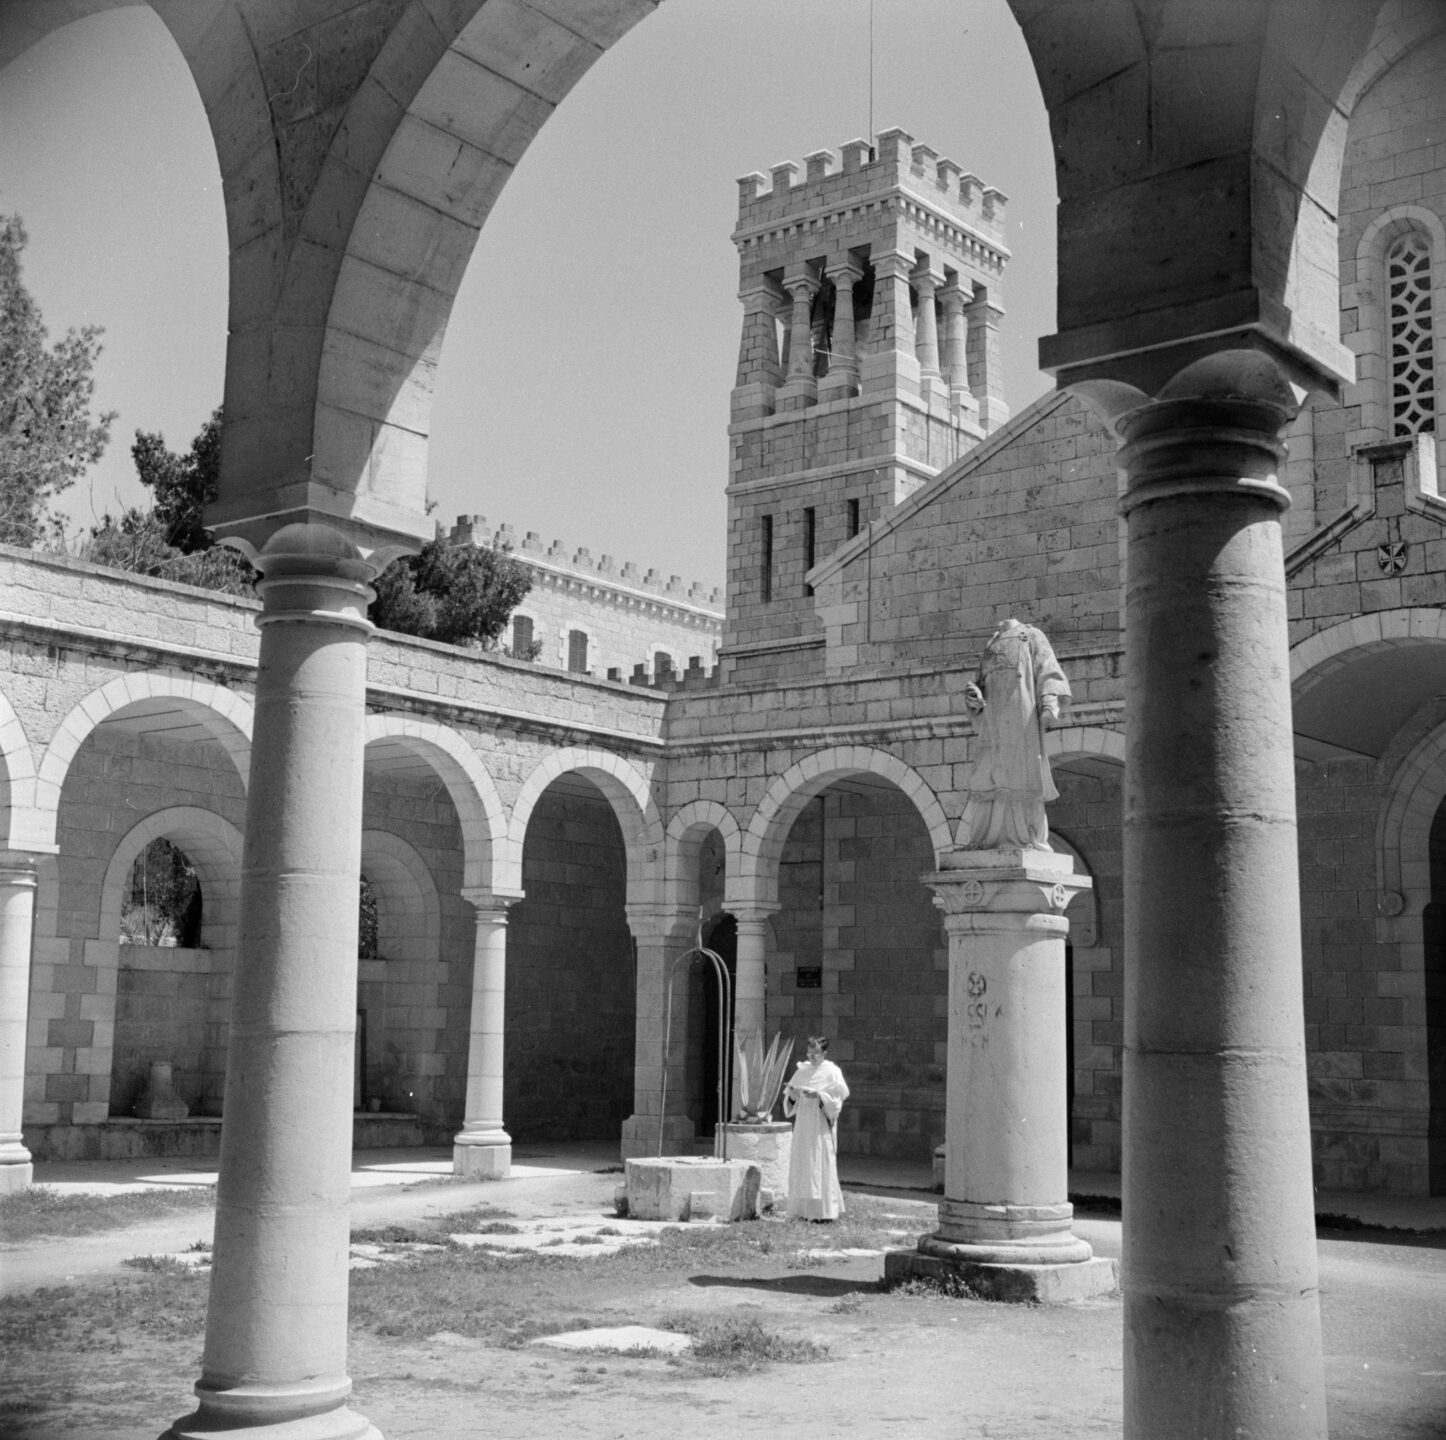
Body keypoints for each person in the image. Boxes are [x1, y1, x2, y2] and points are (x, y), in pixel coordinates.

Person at [960, 616, 1071, 850]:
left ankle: (1024, 836)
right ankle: (985, 838)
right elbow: (981, 686)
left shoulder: (1030, 635)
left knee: (1020, 773)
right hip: (993, 723)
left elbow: (1048, 670)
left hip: (1021, 715)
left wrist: (1049, 703)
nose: (997, 624)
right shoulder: (990, 646)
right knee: (987, 774)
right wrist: (975, 699)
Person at [783, 1035, 849, 1221]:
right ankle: (802, 1210)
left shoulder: (832, 1071)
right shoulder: (802, 1071)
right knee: (803, 1162)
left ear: (824, 1053)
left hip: (820, 1124)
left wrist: (819, 1096)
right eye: (809, 1054)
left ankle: (823, 1212)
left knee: (820, 1161)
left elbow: (839, 1098)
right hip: (804, 1123)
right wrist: (794, 1094)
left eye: (816, 1054)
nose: (812, 1058)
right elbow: (790, 1101)